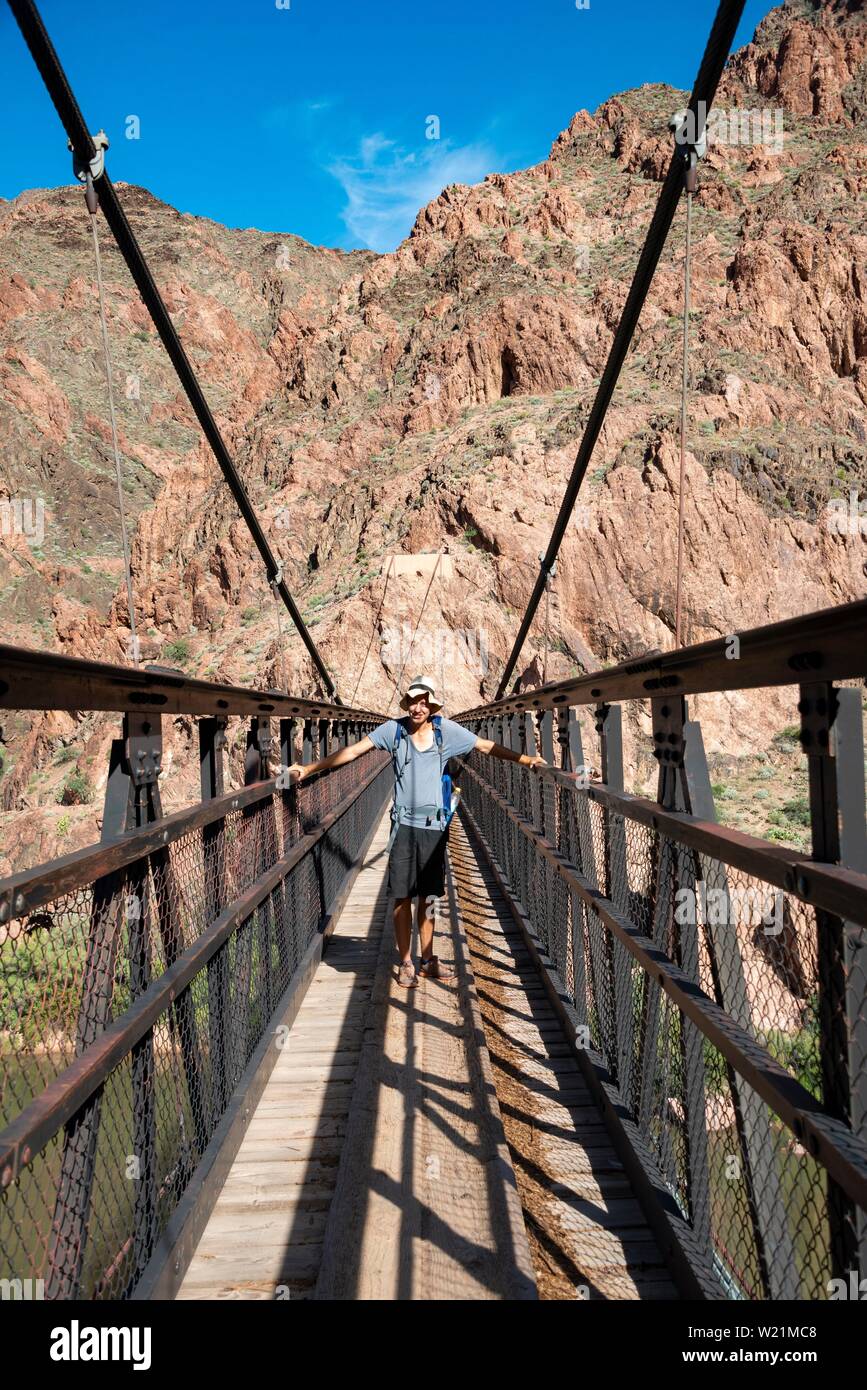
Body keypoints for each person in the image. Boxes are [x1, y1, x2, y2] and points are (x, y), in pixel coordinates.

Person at [285, 675, 549, 988]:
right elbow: (354, 752)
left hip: (434, 827)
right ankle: (406, 962)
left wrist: (526, 758)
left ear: (431, 704)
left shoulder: (445, 730)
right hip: (404, 825)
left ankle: (427, 959)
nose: (418, 707)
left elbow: (485, 746)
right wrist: (310, 768)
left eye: (423, 701)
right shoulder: (393, 731)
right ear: (407, 703)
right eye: (413, 701)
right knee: (401, 896)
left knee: (429, 897)